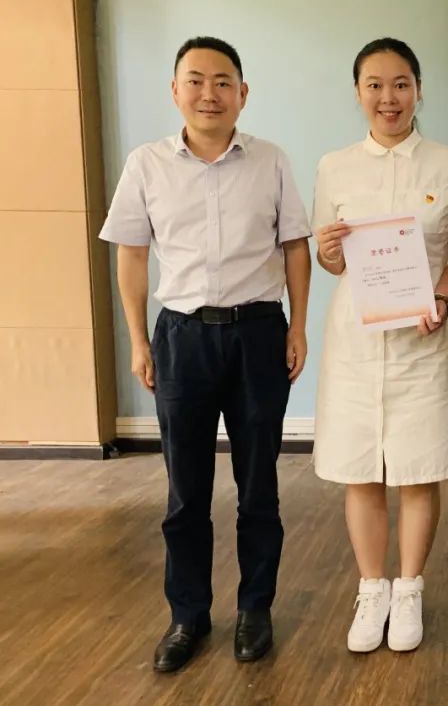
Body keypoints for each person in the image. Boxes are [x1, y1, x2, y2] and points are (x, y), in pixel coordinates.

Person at [100, 36, 312, 673]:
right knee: (185, 491)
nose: (209, 93)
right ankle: (187, 615)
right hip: (182, 337)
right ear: (175, 90)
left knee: (259, 487)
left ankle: (255, 609)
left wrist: (299, 327)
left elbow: (296, 247)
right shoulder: (146, 164)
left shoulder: (271, 160)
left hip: (258, 334)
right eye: (195, 80)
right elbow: (132, 255)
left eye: (223, 82)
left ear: (243, 94)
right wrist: (139, 339)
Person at [310, 38, 448, 654]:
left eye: (401, 84)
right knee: (361, 470)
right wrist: (329, 252)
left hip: (422, 339)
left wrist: (442, 295)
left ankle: (409, 588)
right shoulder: (334, 166)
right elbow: (331, 260)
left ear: (419, 90)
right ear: (358, 92)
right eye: (375, 85)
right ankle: (371, 588)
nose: (389, 97)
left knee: (418, 467)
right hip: (356, 341)